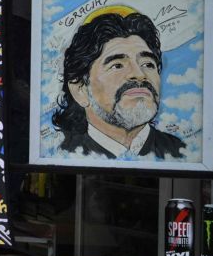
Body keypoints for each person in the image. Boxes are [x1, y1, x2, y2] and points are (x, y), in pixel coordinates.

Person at [51, 9, 185, 159]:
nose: (139, 74)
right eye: (117, 65)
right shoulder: (60, 155)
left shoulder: (182, 153)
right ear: (80, 89)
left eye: (148, 64)